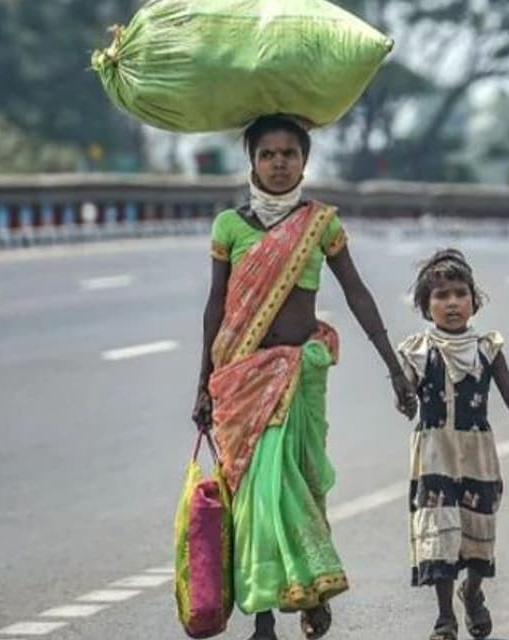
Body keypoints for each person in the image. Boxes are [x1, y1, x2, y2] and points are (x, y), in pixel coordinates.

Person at [192, 114, 418, 640]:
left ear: (305, 161)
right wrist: (202, 382)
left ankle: (309, 589)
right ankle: (266, 615)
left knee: (300, 485)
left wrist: (393, 366)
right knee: (257, 496)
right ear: (250, 160)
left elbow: (357, 294)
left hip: (299, 374)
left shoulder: (321, 223)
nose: (277, 163)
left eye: (288, 154)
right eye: (267, 154)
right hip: (241, 378)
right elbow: (214, 309)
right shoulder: (230, 226)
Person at [395, 249, 509, 640]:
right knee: (440, 533)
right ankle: (445, 617)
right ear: (425, 305)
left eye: (460, 294)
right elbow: (406, 395)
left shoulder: (486, 347)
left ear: (474, 301)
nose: (452, 303)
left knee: (478, 533)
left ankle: (474, 591)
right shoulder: (418, 350)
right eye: (441, 296)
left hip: (477, 454)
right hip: (434, 452)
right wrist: (405, 397)